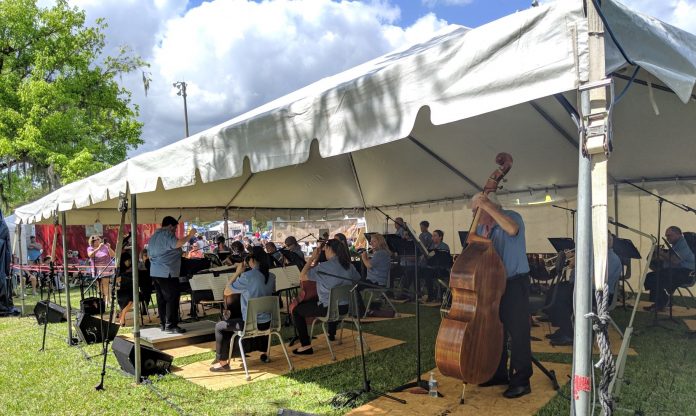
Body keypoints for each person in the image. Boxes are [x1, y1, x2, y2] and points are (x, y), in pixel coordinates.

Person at [472, 193, 532, 399]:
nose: (474, 215)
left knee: (518, 334)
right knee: (496, 331)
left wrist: (487, 205)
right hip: (492, 285)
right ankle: (498, 374)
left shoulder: (511, 216)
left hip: (515, 283)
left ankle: (522, 381)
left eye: (476, 210)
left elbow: (512, 229)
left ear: (488, 207)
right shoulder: (481, 228)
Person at [546, 232, 622, 346]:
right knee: (554, 290)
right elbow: (574, 278)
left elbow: (598, 281)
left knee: (561, 296)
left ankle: (568, 334)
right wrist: (572, 263)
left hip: (599, 294)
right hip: (586, 289)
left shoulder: (611, 259)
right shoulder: (595, 255)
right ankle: (563, 327)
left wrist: (579, 264)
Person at [210, 246, 276, 372]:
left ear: (252, 260)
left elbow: (227, 291)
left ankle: (222, 362)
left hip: (250, 325)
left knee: (220, 326)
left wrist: (237, 272)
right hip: (268, 323)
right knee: (256, 315)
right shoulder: (272, 276)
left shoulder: (247, 276)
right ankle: (264, 352)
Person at [291, 238, 360, 355]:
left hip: (329, 309)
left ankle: (306, 346)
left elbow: (302, 276)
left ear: (329, 249)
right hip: (345, 308)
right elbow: (357, 279)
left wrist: (312, 258)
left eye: (325, 249)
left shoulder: (324, 267)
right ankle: (331, 333)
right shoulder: (349, 265)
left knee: (297, 310)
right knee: (330, 300)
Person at [148, 216, 196, 334]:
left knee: (162, 299)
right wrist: (190, 235)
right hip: (166, 271)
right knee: (172, 297)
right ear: (170, 226)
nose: (175, 231)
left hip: (156, 272)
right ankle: (171, 325)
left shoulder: (154, 236)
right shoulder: (166, 234)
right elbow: (177, 243)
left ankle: (164, 324)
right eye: (174, 229)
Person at [643, 226, 696, 312]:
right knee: (652, 276)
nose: (667, 238)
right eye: (666, 236)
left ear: (678, 234)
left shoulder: (684, 243)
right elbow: (670, 259)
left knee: (654, 277)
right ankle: (664, 301)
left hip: (687, 274)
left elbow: (675, 260)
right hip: (679, 271)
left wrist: (660, 252)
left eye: (669, 235)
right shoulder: (676, 244)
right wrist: (657, 255)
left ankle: (662, 302)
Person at [87, 235, 115, 307]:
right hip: (97, 270)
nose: (96, 241)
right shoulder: (90, 248)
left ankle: (108, 300)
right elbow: (90, 255)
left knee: (106, 284)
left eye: (98, 239)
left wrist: (109, 247)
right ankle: (103, 300)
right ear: (91, 242)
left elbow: (113, 255)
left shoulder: (105, 247)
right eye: (94, 240)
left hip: (107, 268)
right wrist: (98, 248)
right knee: (99, 286)